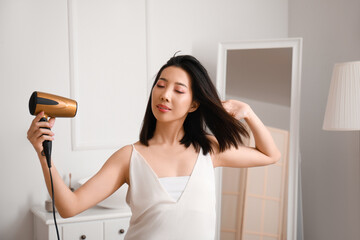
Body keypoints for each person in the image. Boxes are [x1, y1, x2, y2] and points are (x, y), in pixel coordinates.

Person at [27, 55, 281, 240]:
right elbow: (69, 207)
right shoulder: (129, 157)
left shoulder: (209, 150)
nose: (165, 94)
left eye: (178, 90)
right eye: (160, 85)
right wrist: (43, 156)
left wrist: (247, 112)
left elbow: (270, 155)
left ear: (194, 105)